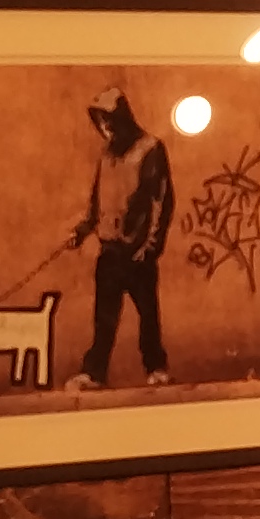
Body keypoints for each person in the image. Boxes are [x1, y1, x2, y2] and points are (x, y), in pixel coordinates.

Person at [67, 85, 175, 390]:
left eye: (109, 119)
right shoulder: (106, 154)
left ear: (122, 118)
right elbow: (97, 200)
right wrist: (83, 230)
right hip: (110, 249)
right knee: (104, 316)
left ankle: (156, 368)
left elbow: (161, 200)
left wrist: (151, 247)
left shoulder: (151, 149)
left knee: (148, 315)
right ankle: (94, 373)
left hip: (138, 251)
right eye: (100, 121)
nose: (105, 127)